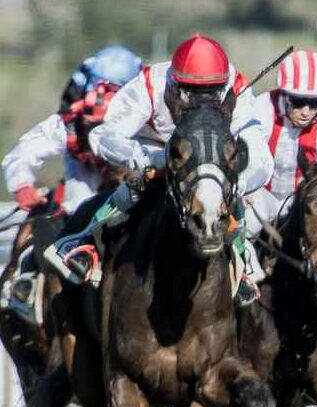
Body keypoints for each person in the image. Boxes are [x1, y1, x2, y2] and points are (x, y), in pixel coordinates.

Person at [43, 34, 273, 304]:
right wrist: (147, 158)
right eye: (192, 92)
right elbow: (103, 136)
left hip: (208, 163)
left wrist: (238, 183)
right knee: (134, 190)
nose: (201, 101)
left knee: (228, 195)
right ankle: (86, 243)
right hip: (154, 153)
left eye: (211, 92)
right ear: (174, 85)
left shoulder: (237, 88)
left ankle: (241, 258)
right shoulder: (149, 83)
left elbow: (262, 159)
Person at [1, 46, 143, 323]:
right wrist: (23, 186)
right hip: (85, 173)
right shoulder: (70, 123)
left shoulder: (145, 117)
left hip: (132, 171)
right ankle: (26, 285)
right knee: (77, 210)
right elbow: (23, 152)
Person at [246, 49, 317, 235]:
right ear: (285, 95)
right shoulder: (261, 108)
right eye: (299, 101)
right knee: (249, 221)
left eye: (315, 103)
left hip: (306, 198)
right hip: (262, 195)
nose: (306, 111)